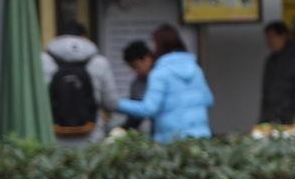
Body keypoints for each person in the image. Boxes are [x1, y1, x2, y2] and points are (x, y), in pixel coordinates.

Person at [111, 25, 215, 141]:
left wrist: (116, 103)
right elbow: (209, 99)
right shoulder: (195, 69)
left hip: (173, 139)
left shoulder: (160, 73)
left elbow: (149, 108)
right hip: (200, 137)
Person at [42, 16, 116, 146]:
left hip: (53, 141)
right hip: (91, 141)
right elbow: (111, 103)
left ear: (59, 37)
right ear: (84, 37)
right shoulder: (99, 62)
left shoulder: (42, 61)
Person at [258, 20, 295, 129]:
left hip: (293, 118)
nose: (269, 41)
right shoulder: (271, 61)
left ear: (283, 36)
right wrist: (263, 120)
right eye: (267, 38)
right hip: (272, 119)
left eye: (272, 37)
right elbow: (266, 92)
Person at [119, 40, 156, 137]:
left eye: (136, 66)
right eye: (132, 67)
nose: (135, 71)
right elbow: (134, 118)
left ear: (147, 58)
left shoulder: (162, 77)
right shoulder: (136, 84)